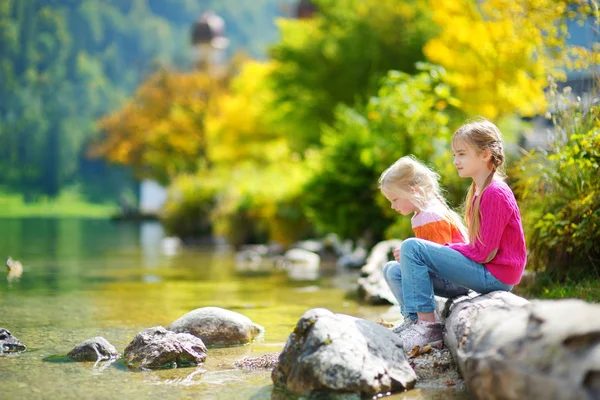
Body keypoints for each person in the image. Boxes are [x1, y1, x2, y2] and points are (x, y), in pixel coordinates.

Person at [396, 118, 527, 350]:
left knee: (412, 247)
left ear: (485, 154)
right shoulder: (478, 190)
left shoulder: (495, 192)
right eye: (454, 155)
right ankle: (414, 321)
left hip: (496, 276)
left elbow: (484, 251)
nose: (455, 161)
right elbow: (479, 247)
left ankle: (428, 329)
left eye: (462, 154)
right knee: (397, 270)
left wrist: (445, 250)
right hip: (485, 269)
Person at [379, 156, 471, 334]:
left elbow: (441, 260)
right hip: (450, 277)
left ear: (413, 191)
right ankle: (413, 319)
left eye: (395, 199)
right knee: (390, 268)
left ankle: (418, 320)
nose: (392, 206)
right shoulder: (422, 215)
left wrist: (409, 260)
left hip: (455, 280)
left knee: (393, 271)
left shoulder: (431, 216)